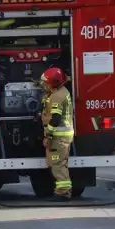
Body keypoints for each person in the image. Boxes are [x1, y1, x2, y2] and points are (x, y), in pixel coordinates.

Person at [40, 67, 74, 201]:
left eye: (46, 83)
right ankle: (63, 191)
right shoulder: (62, 92)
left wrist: (47, 135)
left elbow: (55, 118)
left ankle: (63, 192)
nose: (44, 85)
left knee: (58, 164)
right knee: (60, 163)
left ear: (53, 83)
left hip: (59, 137)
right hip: (63, 135)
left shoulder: (57, 97)